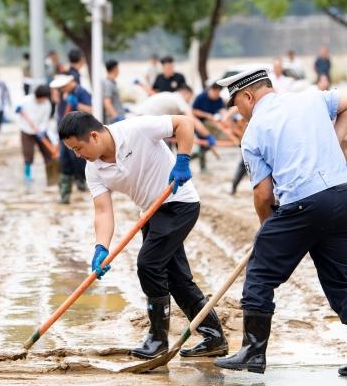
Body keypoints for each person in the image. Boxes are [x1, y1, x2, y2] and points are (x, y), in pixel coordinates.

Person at [211, 68, 347, 378]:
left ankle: (253, 351)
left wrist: (267, 228)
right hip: (343, 197)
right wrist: (334, 138)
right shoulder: (311, 100)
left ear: (248, 96)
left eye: (237, 105)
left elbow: (263, 195)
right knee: (342, 280)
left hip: (304, 203)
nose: (239, 113)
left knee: (260, 272)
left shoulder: (254, 133)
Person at [58, 110, 228, 360]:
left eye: (78, 148)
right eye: (72, 150)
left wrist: (183, 159)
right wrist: (100, 248)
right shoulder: (93, 169)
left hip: (177, 203)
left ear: (93, 136)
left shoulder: (136, 129)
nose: (77, 155)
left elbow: (184, 123)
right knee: (177, 279)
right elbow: (103, 211)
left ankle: (157, 338)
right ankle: (214, 337)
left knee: (148, 264)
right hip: (151, 213)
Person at [50, 73, 93, 204]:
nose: (62, 90)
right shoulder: (63, 94)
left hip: (78, 135)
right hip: (64, 136)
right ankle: (65, 195)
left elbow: (91, 109)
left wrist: (77, 104)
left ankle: (85, 185)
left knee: (79, 161)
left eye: (63, 87)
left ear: (69, 83)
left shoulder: (81, 92)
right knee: (65, 163)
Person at [15, 84, 54, 184]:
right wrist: (17, 110)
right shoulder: (25, 101)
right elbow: (16, 111)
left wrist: (41, 130)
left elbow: (45, 120)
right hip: (26, 130)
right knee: (28, 153)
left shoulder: (47, 104)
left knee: (48, 152)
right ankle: (28, 175)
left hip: (40, 131)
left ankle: (52, 174)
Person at [191, 80, 227, 172]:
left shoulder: (219, 99)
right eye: (215, 92)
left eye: (218, 93)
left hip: (211, 124)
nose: (216, 95)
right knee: (204, 144)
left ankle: (193, 157)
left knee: (209, 144)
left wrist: (225, 118)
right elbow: (193, 111)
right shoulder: (201, 97)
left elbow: (223, 111)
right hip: (198, 123)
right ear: (210, 89)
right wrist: (207, 115)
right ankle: (202, 167)